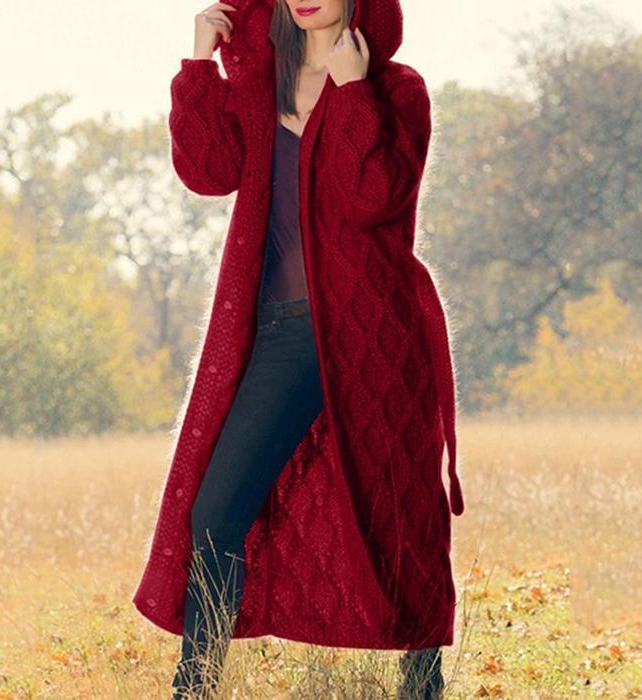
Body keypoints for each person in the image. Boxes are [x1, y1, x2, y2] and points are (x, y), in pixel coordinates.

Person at [153, 1, 458, 697]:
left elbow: (373, 199)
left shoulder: (396, 88)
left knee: (403, 508)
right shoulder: (261, 82)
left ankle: (423, 683)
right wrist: (198, 64)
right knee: (215, 512)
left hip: (374, 329)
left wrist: (353, 91)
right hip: (281, 330)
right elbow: (208, 172)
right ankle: (195, 687)